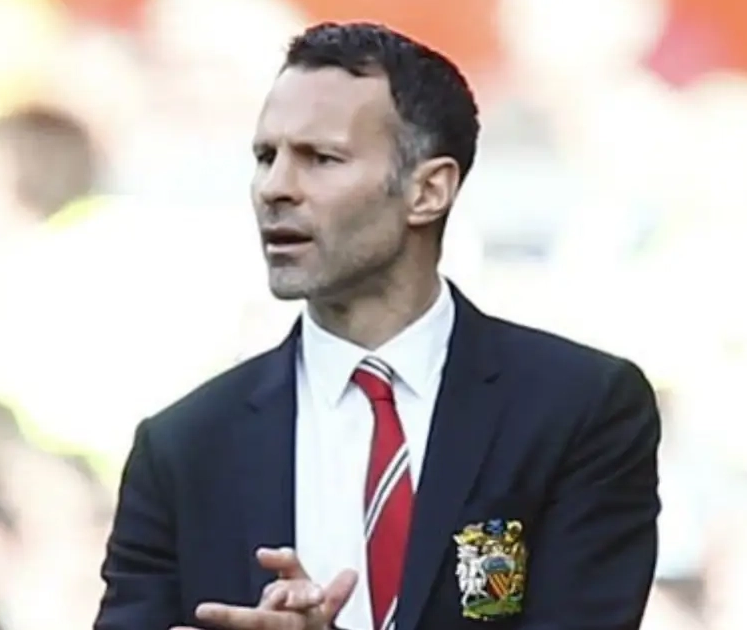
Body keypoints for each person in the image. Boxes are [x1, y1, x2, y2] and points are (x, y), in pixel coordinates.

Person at [95, 21, 661, 630]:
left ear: (428, 191)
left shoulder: (580, 409)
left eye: (321, 159)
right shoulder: (182, 449)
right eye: (265, 157)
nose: (275, 188)